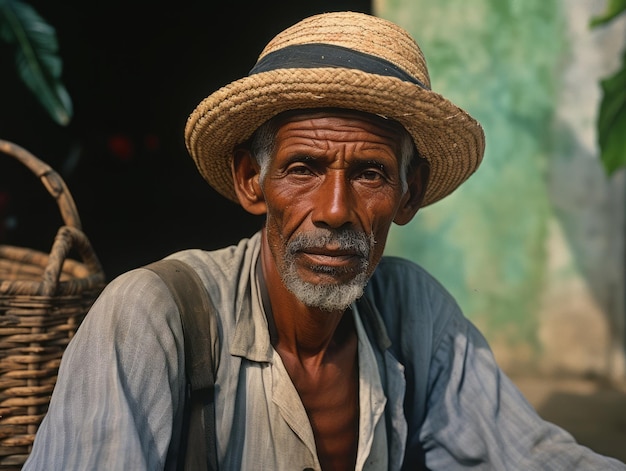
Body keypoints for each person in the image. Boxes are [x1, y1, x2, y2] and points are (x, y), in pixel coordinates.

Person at [24, 11, 625, 471]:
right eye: (303, 168)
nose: (335, 211)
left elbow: (533, 453)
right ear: (251, 180)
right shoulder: (154, 316)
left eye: (370, 174)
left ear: (409, 195)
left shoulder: (410, 310)